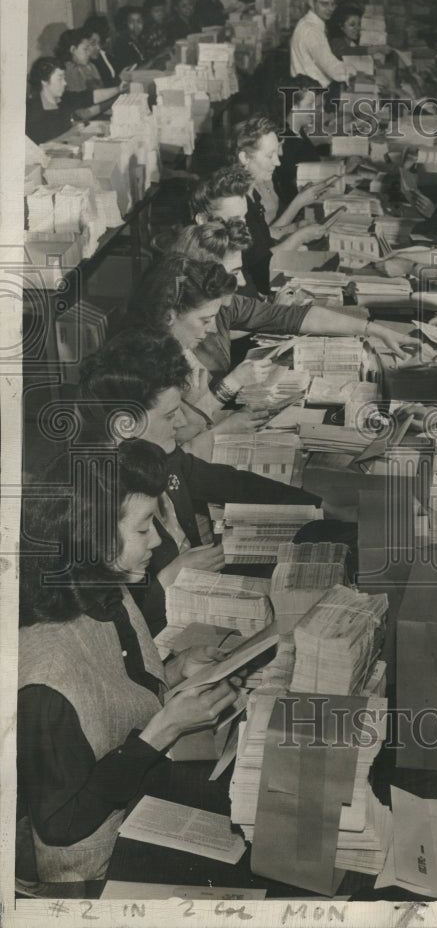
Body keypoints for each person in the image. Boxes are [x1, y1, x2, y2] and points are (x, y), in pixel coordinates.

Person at [17, 439, 239, 883]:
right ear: (93, 540)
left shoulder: (105, 590)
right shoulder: (43, 679)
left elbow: (109, 692)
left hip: (140, 791)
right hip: (94, 862)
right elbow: (61, 826)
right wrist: (166, 728)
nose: (156, 541)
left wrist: (176, 668)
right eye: (142, 529)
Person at [78, 330, 321, 634]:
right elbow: (102, 624)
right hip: (161, 626)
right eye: (169, 416)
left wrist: (318, 503)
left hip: (201, 591)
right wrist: (169, 579)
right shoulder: (90, 501)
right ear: (125, 425)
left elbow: (234, 484)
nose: (181, 423)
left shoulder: (159, 454)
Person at [188, 166, 424, 370]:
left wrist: (376, 330)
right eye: (230, 221)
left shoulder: (228, 255)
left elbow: (291, 316)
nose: (240, 227)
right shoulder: (189, 276)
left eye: (242, 219)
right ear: (201, 220)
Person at [125, 253, 278, 454]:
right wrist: (224, 429)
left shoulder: (180, 351)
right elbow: (165, 456)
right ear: (169, 315)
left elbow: (196, 420)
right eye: (205, 320)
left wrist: (237, 419)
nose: (213, 329)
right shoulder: (142, 366)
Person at [232, 116, 334, 292]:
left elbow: (262, 242)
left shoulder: (252, 193)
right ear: (244, 157)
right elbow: (261, 270)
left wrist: (295, 229)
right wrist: (299, 236)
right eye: (269, 155)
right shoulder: (236, 203)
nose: (277, 162)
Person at [25, 57, 121, 145]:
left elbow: (91, 96)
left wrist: (118, 89)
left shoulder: (63, 99)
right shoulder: (32, 110)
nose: (64, 83)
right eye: (60, 78)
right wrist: (70, 133)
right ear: (44, 82)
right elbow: (39, 147)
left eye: (64, 78)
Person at [271, 75, 328, 210]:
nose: (319, 111)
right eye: (312, 105)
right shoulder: (285, 142)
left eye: (320, 106)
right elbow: (292, 190)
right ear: (293, 106)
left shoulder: (297, 131)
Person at [290, 0, 357, 89]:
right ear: (312, 3)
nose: (330, 9)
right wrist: (357, 72)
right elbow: (332, 68)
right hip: (311, 94)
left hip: (308, 88)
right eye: (325, 4)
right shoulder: (312, 31)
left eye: (333, 4)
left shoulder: (307, 22)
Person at [55, 28, 103, 93]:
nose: (89, 53)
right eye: (85, 49)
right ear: (73, 49)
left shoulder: (91, 66)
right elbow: (81, 99)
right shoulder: (68, 70)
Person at [83, 13, 118, 86]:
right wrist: (119, 79)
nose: (98, 47)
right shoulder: (85, 62)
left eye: (99, 42)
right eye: (93, 43)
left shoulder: (104, 55)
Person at [109, 6, 146, 74]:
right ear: (124, 23)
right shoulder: (121, 43)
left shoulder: (140, 39)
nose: (136, 26)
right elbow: (130, 72)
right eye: (131, 22)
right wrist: (154, 60)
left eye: (139, 21)